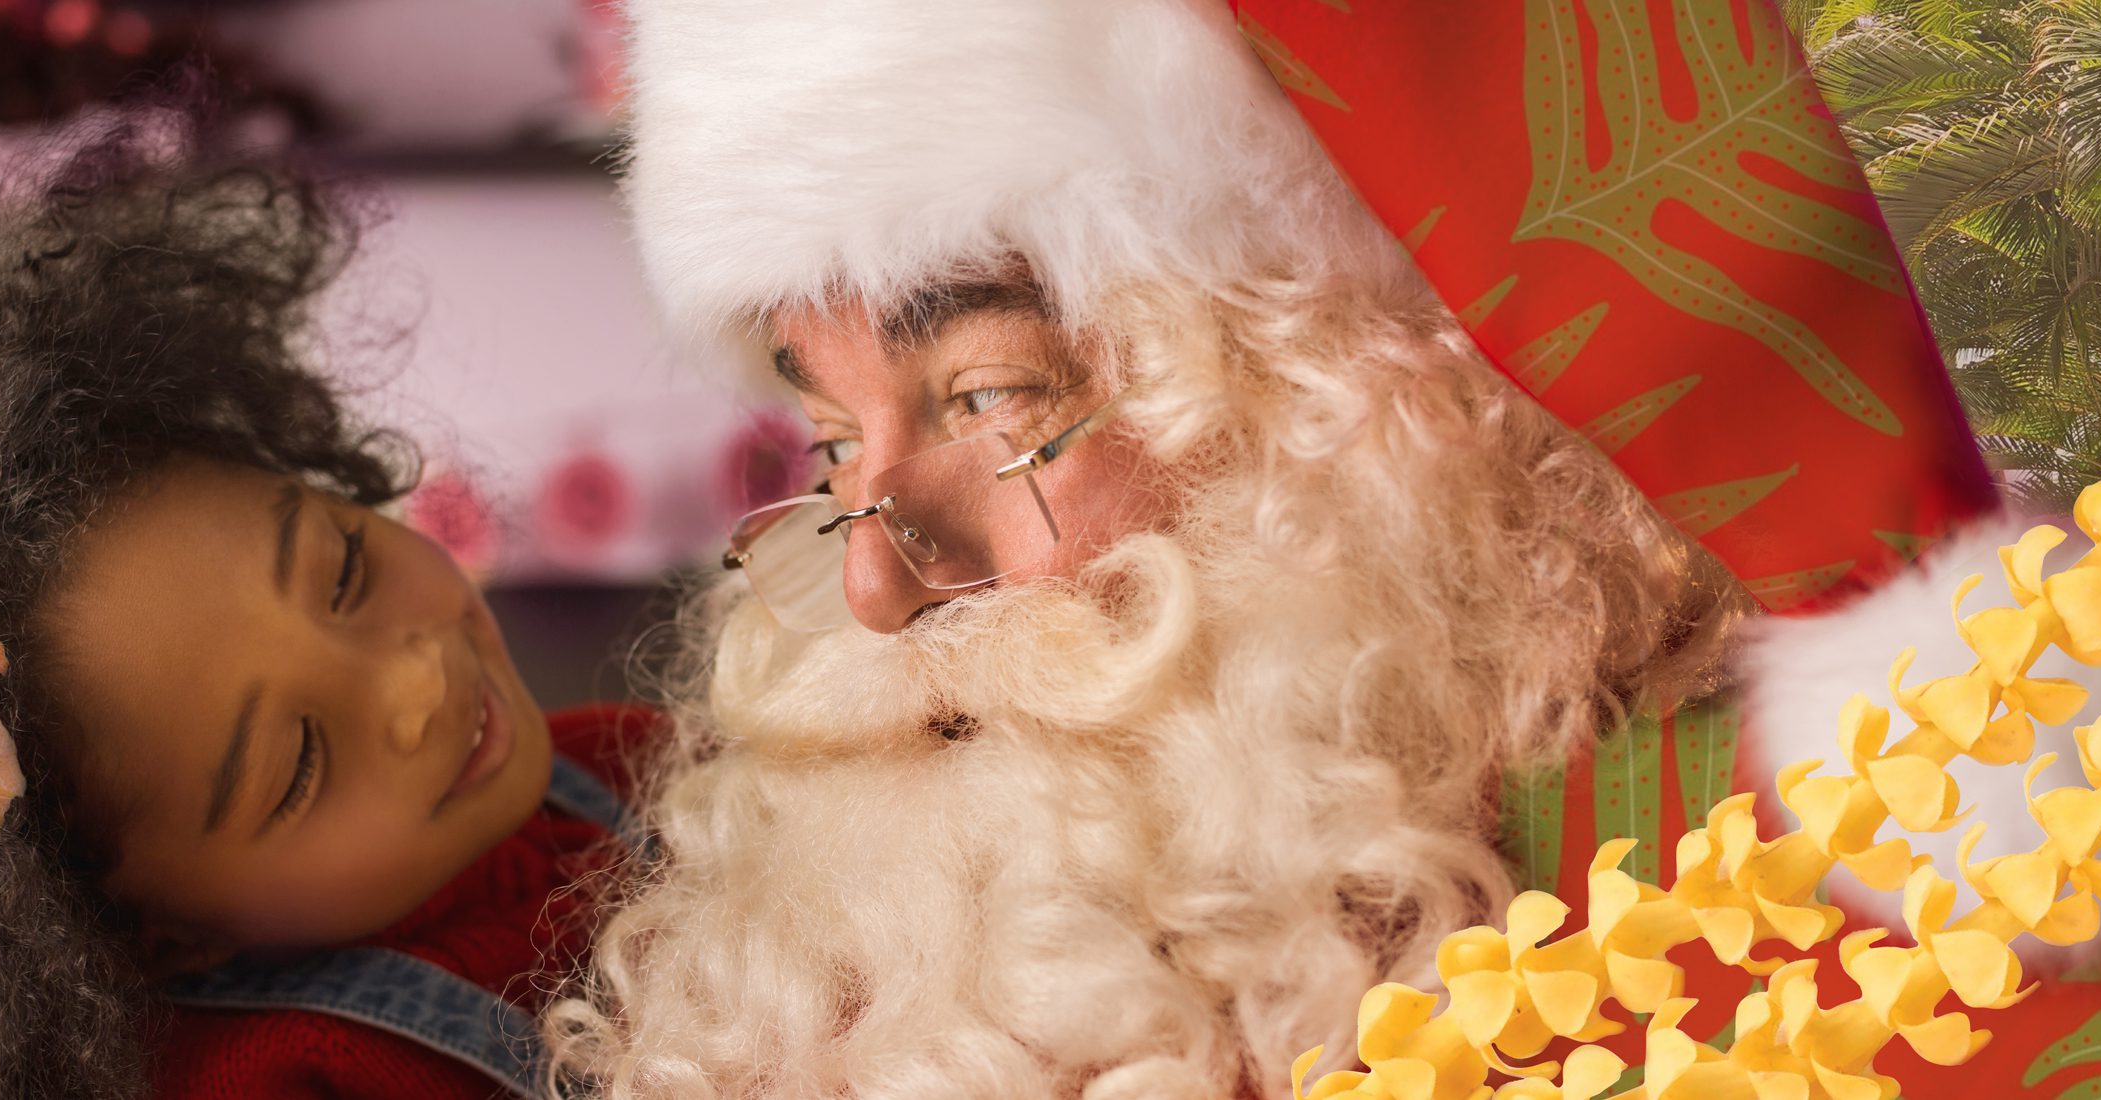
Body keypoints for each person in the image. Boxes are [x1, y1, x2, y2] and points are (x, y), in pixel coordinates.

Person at [542, 1, 1751, 1096]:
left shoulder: (1727, 887)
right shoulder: (819, 1000)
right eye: (834, 445)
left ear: (1331, 398)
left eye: (988, 397)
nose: (875, 583)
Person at [0, 115, 652, 1100]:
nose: (419, 680)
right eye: (301, 761)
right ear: (162, 939)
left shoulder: (619, 762)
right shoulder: (295, 1079)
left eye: (345, 571)